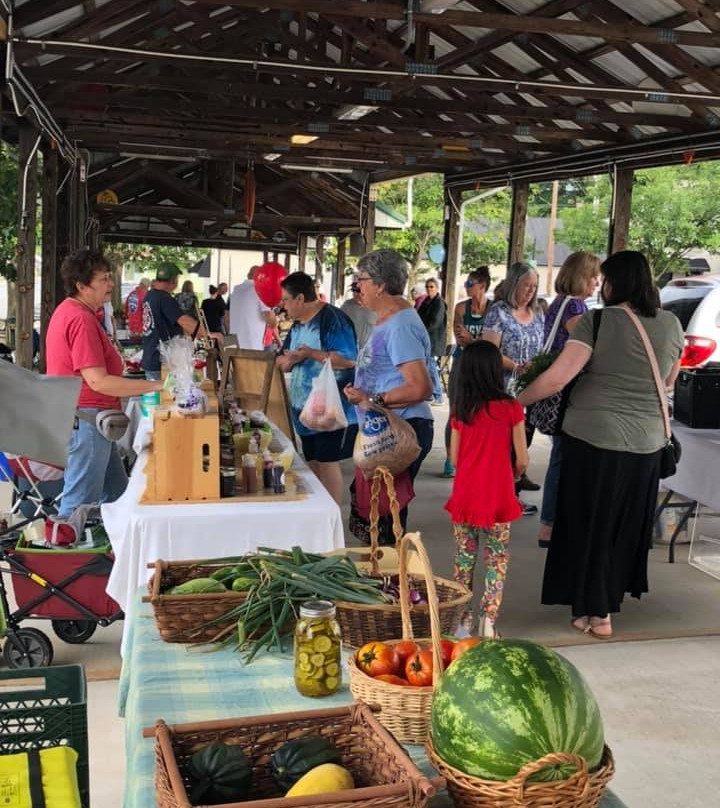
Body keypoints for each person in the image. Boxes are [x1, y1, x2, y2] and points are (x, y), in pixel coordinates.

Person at [518, 251, 684, 639]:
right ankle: (605, 606)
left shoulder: (598, 321)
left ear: (614, 284)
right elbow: (670, 381)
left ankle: (593, 611)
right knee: (622, 527)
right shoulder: (672, 324)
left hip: (593, 440)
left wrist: (514, 403)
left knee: (588, 524)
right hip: (646, 444)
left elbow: (558, 378)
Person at [46, 249, 163, 518]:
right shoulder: (80, 319)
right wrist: (156, 386)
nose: (111, 284)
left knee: (119, 500)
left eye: (110, 277)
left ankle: (116, 553)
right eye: (103, 279)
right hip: (87, 420)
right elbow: (99, 381)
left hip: (92, 420)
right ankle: (64, 555)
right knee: (76, 508)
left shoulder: (76, 312)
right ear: (81, 286)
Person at [343, 249, 434, 530]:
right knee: (374, 512)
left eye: (362, 279)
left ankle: (390, 573)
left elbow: (420, 387)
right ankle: (386, 572)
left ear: (381, 285)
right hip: (384, 427)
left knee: (382, 516)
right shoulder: (388, 319)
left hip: (399, 429)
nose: (358, 285)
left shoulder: (400, 326)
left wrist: (372, 399)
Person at [445, 341, 528, 639]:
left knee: (463, 559)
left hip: (466, 495)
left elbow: (453, 459)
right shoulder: (511, 408)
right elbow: (522, 459)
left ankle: (462, 620)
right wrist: (513, 472)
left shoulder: (461, 410)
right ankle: (488, 620)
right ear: (496, 371)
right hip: (498, 497)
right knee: (496, 559)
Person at [536, 251, 601, 549]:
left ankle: (550, 522)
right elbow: (589, 343)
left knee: (559, 456)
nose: (597, 282)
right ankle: (550, 523)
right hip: (568, 391)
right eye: (592, 276)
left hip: (555, 388)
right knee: (563, 457)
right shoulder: (576, 307)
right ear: (581, 277)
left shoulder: (558, 303)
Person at [276, 272, 357, 505]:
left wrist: (311, 354)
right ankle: (318, 508)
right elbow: (280, 361)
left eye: (286, 300)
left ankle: (331, 515)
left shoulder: (333, 319)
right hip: (303, 408)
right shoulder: (297, 325)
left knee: (326, 461)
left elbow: (348, 360)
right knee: (311, 461)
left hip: (330, 407)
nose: (283, 306)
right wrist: (290, 361)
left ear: (300, 298)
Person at [483, 261, 545, 511]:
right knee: (502, 446)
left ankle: (512, 495)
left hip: (531, 391)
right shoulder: (499, 311)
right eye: (526, 285)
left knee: (522, 444)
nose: (530, 291)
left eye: (534, 286)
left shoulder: (538, 312)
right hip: (503, 389)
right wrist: (517, 366)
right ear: (513, 284)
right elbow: (489, 351)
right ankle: (499, 496)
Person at [443, 265, 492, 478]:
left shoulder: (493, 309)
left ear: (482, 286)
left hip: (484, 368)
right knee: (455, 410)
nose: (467, 286)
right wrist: (479, 341)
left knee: (483, 412)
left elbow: (494, 341)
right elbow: (460, 339)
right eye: (466, 283)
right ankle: (449, 458)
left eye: (470, 283)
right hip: (462, 364)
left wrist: (472, 340)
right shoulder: (461, 308)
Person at [142, 262, 206, 380]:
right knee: (167, 396)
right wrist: (207, 334)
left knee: (156, 396)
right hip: (161, 360)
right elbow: (185, 321)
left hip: (150, 356)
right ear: (173, 281)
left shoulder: (150, 295)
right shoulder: (164, 299)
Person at [228, 267, 278, 350]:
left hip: (234, 343)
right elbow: (269, 315)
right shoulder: (261, 290)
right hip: (252, 345)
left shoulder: (236, 290)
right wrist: (274, 322)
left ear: (248, 275)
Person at [417, 278, 447, 405]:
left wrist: (422, 331)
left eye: (431, 287)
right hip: (426, 340)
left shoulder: (439, 303)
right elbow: (419, 316)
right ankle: (431, 393)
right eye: (427, 287)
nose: (429, 289)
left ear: (437, 288)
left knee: (431, 366)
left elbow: (435, 322)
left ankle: (438, 395)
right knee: (427, 367)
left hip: (433, 340)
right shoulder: (427, 302)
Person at [340, 275, 377, 349]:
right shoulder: (347, 305)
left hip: (370, 352)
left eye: (358, 290)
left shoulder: (376, 307)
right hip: (349, 349)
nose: (355, 293)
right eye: (353, 290)